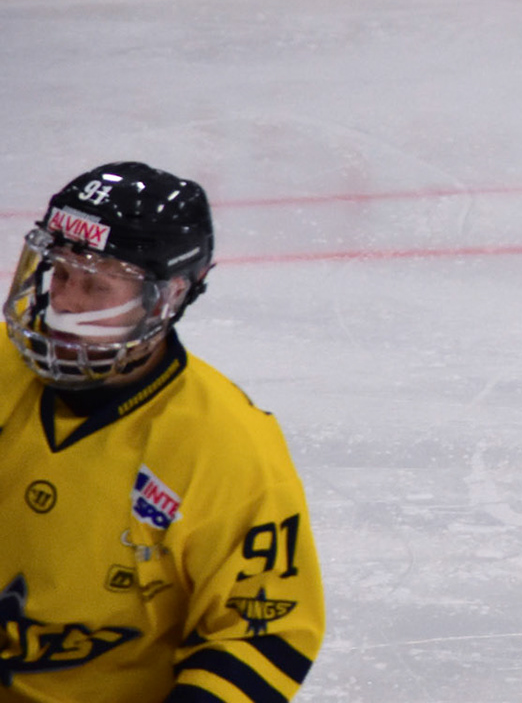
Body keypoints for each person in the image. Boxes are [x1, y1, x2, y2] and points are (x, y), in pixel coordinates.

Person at [1, 162, 325, 701]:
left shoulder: (224, 445)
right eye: (60, 274)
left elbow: (262, 634)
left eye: (97, 286)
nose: (64, 304)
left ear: (167, 296)